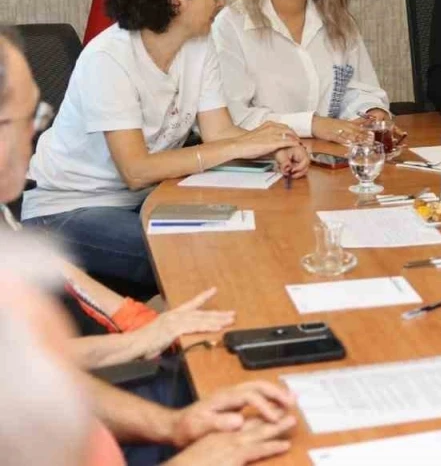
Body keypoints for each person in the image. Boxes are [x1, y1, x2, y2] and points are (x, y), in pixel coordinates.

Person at [1, 30, 295, 465]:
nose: (37, 136)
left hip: (98, 427)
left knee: (239, 393)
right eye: (32, 118)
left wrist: (172, 425)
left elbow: (36, 375)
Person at [21, 0, 309, 296]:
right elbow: (136, 170)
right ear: (177, 0)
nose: (222, 1)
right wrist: (243, 145)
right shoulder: (108, 57)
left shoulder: (199, 44)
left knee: (253, 227)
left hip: (146, 199)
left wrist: (272, 146)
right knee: (194, 254)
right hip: (66, 209)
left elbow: (219, 132)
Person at [212, 0, 391, 144]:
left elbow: (359, 89)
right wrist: (312, 125)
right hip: (264, 155)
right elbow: (234, 117)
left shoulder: (336, 17)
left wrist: (371, 113)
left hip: (332, 152)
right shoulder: (231, 23)